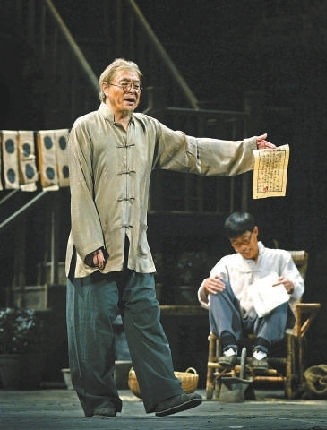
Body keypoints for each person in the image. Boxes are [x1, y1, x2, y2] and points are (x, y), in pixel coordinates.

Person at [65, 58, 276, 418]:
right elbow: (80, 189)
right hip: (95, 252)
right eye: (125, 84)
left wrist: (247, 150)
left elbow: (193, 150)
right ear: (105, 87)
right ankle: (99, 402)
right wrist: (91, 244)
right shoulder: (86, 128)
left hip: (135, 251)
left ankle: (165, 395)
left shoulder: (148, 129)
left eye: (137, 85)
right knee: (92, 334)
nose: (132, 90)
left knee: (147, 324)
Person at [197, 211, 304, 368]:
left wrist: (291, 285)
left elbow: (298, 287)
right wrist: (206, 287)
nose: (243, 248)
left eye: (246, 241)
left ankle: (261, 351)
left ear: (255, 232)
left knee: (280, 293)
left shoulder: (279, 257)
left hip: (266, 319)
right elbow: (209, 298)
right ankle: (229, 349)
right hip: (235, 319)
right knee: (217, 285)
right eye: (236, 244)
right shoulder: (227, 263)